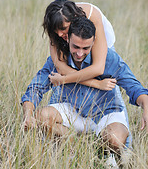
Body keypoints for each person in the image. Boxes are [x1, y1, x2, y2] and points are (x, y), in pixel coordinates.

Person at [21, 17, 148, 158]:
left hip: (105, 112)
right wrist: (28, 115)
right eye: (76, 47)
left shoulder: (109, 58)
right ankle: (75, 146)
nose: (80, 53)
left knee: (115, 139)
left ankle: (103, 155)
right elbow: (35, 88)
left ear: (93, 43)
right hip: (72, 109)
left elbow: (134, 87)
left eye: (85, 48)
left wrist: (146, 107)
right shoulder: (59, 58)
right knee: (41, 117)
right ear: (68, 39)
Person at [43, 0, 130, 146]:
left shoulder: (91, 15)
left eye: (63, 29)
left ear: (74, 20)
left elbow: (98, 68)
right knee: (58, 96)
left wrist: (65, 79)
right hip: (74, 45)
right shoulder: (57, 26)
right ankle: (69, 141)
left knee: (111, 96)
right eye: (55, 31)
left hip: (103, 51)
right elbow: (61, 68)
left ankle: (124, 149)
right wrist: (95, 83)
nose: (59, 34)